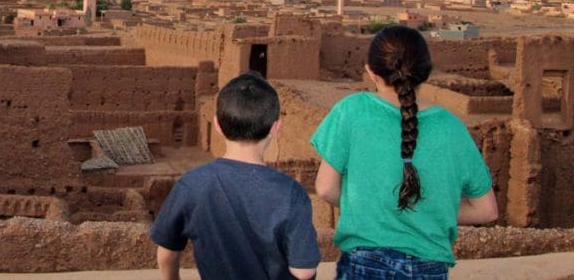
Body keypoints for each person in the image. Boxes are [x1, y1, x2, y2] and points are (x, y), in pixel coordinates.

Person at [311, 26, 498, 279]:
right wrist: (429, 208)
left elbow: (325, 188)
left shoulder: (351, 110)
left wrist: (373, 205)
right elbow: (487, 210)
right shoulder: (452, 127)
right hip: (429, 266)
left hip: (365, 263)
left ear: (370, 70)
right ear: (425, 72)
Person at [151, 72, 321, 280]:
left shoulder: (192, 185)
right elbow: (304, 271)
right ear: (275, 127)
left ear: (217, 125)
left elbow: (167, 253)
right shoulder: (291, 192)